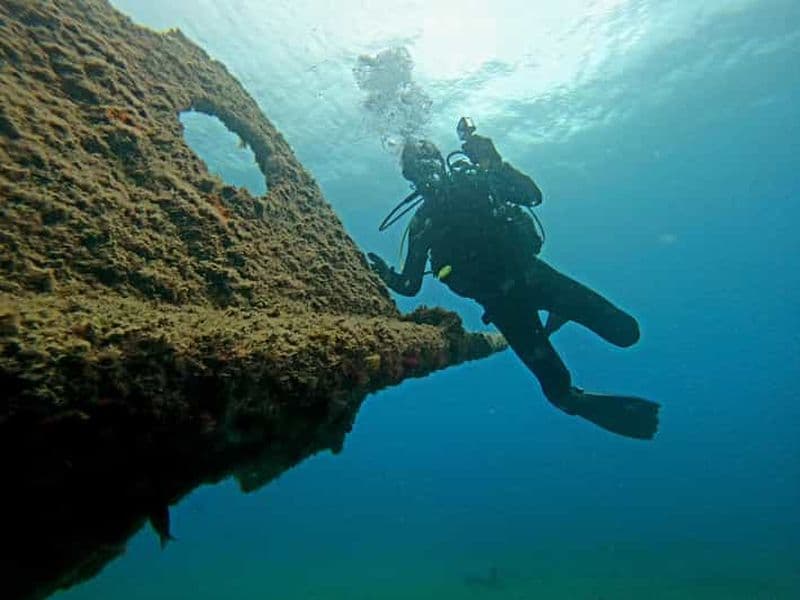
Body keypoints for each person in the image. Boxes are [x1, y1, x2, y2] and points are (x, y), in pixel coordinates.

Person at [367, 118, 660, 440]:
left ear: (440, 162)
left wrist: (495, 163)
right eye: (418, 171)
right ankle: (583, 394)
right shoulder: (423, 225)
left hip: (535, 277)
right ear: (411, 179)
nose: (428, 175)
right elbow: (410, 286)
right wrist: (384, 275)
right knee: (559, 392)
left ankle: (560, 312)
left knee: (627, 332)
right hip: (504, 307)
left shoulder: (479, 181)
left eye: (430, 164)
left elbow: (532, 196)